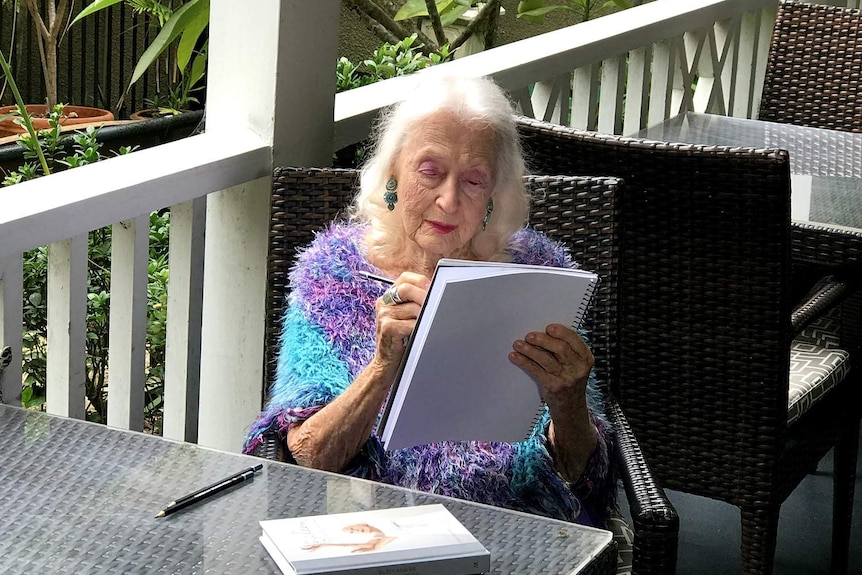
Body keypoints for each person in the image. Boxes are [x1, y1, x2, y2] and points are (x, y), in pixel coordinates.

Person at [243, 74, 616, 528]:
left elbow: (584, 476)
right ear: (394, 173)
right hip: (372, 529)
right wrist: (382, 367)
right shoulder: (332, 274)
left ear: (495, 196)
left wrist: (569, 399)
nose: (448, 199)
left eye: (474, 180)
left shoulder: (540, 274)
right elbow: (301, 457)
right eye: (430, 172)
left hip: (517, 525)